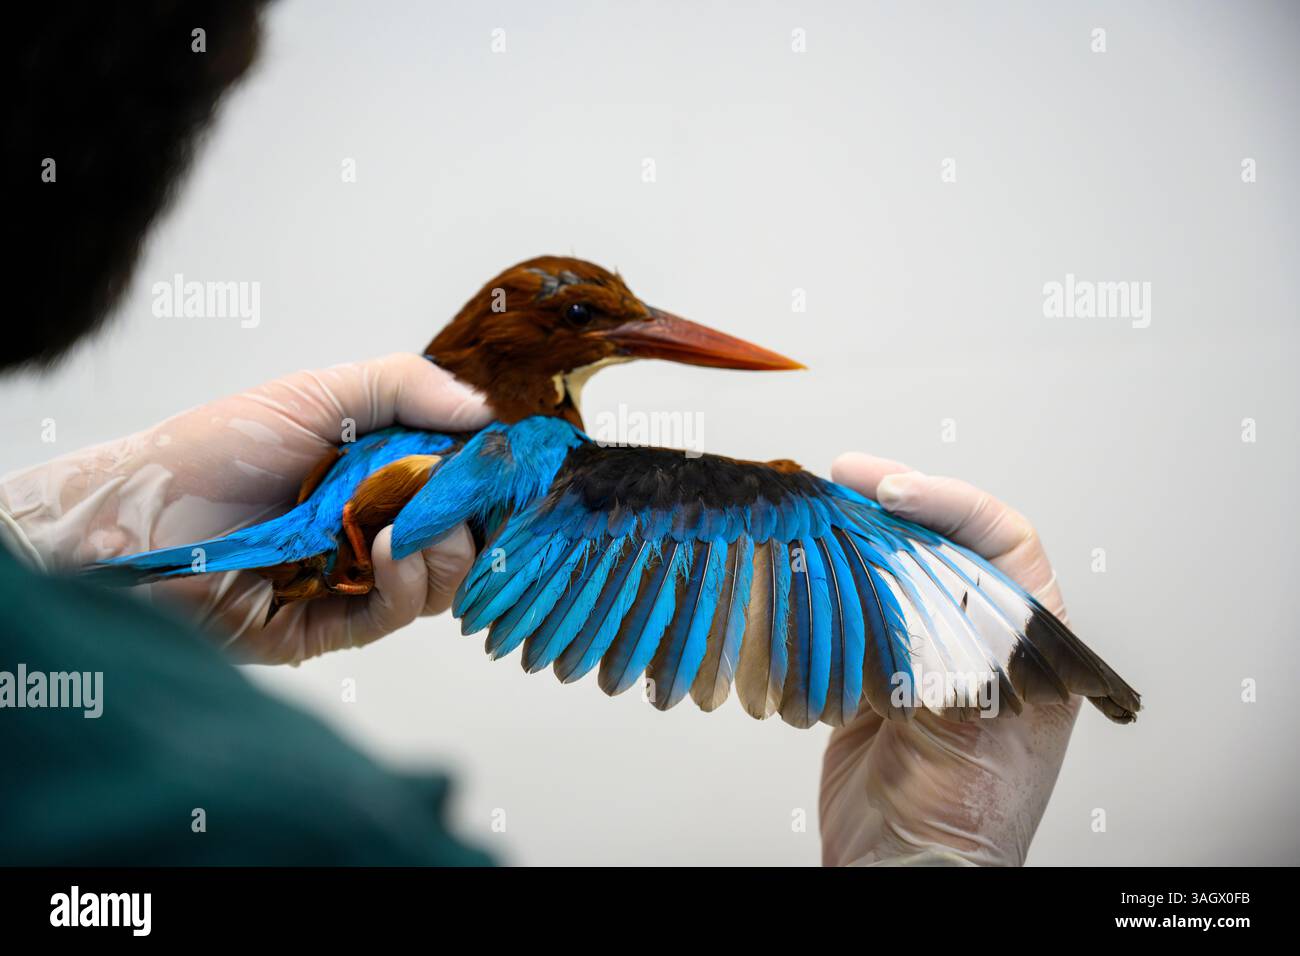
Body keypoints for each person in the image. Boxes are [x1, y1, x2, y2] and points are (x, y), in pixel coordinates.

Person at [3, 2, 1080, 866]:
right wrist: (928, 860)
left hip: (264, 551)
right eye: (585, 321)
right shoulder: (292, 824)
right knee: (811, 503)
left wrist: (65, 529)